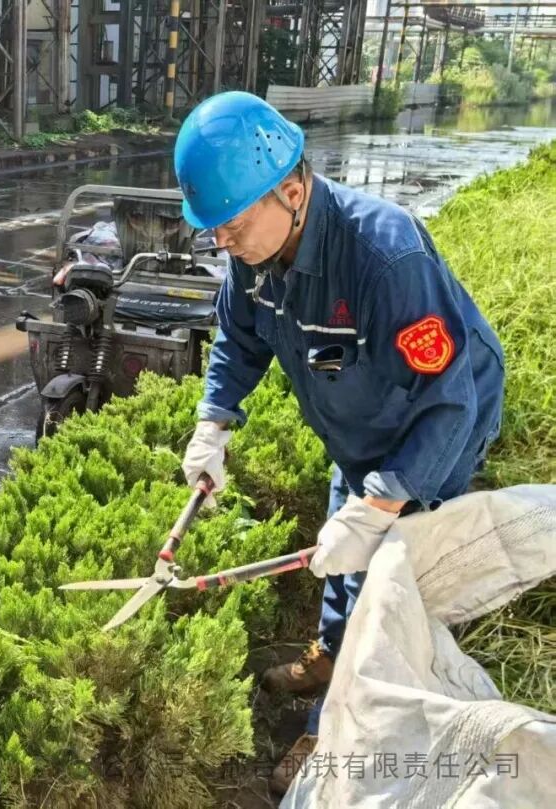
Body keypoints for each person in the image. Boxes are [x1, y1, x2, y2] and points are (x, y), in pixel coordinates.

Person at [174, 92, 504, 794]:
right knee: (340, 549)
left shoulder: (386, 257)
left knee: (382, 578)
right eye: (214, 230)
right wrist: (213, 421)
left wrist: (382, 502)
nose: (222, 242)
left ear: (292, 193)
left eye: (232, 226)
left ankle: (331, 729)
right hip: (356, 425)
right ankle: (328, 651)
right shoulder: (254, 254)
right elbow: (238, 338)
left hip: (433, 426)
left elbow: (449, 402)